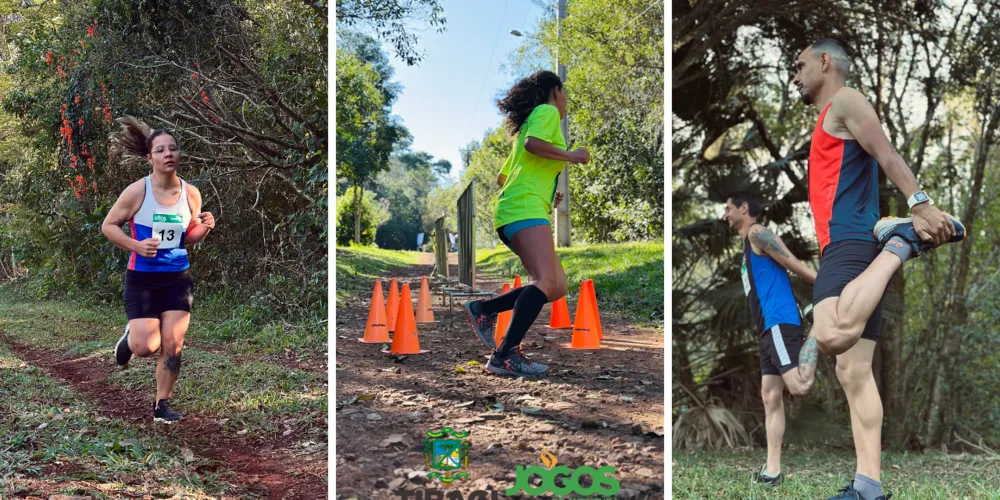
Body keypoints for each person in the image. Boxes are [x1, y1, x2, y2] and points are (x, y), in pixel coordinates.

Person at [791, 38, 965, 500]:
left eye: (801, 64)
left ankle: (903, 244)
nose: (796, 73)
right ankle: (869, 486)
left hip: (852, 243)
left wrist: (920, 206)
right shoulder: (828, 117)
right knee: (854, 372)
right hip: (846, 247)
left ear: (825, 62)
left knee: (829, 334)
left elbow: (887, 154)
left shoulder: (845, 100)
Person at [462, 70, 589, 377]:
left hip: (520, 207)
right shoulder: (546, 113)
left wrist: (545, 196)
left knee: (556, 284)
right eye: (565, 93)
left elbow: (503, 176)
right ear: (556, 91)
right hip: (522, 208)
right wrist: (571, 156)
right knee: (546, 281)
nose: (566, 100)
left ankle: (485, 310)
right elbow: (533, 145)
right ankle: (504, 354)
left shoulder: (529, 123)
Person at [101, 117, 216, 424]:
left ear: (179, 155)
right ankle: (128, 340)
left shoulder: (191, 193)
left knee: (173, 343)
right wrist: (135, 246)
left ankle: (161, 406)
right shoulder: (137, 192)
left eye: (173, 149)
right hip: (142, 278)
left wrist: (204, 228)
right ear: (149, 157)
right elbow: (108, 226)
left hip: (177, 277)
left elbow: (188, 235)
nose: (168, 154)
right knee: (146, 346)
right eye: (161, 150)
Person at [723, 192, 818, 487]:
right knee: (770, 395)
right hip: (766, 329)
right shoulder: (747, 244)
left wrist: (826, 286)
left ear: (744, 208)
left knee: (799, 386)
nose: (725, 214)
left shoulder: (758, 232)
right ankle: (772, 472)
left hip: (779, 322)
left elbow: (792, 263)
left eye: (728, 208)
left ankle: (819, 326)